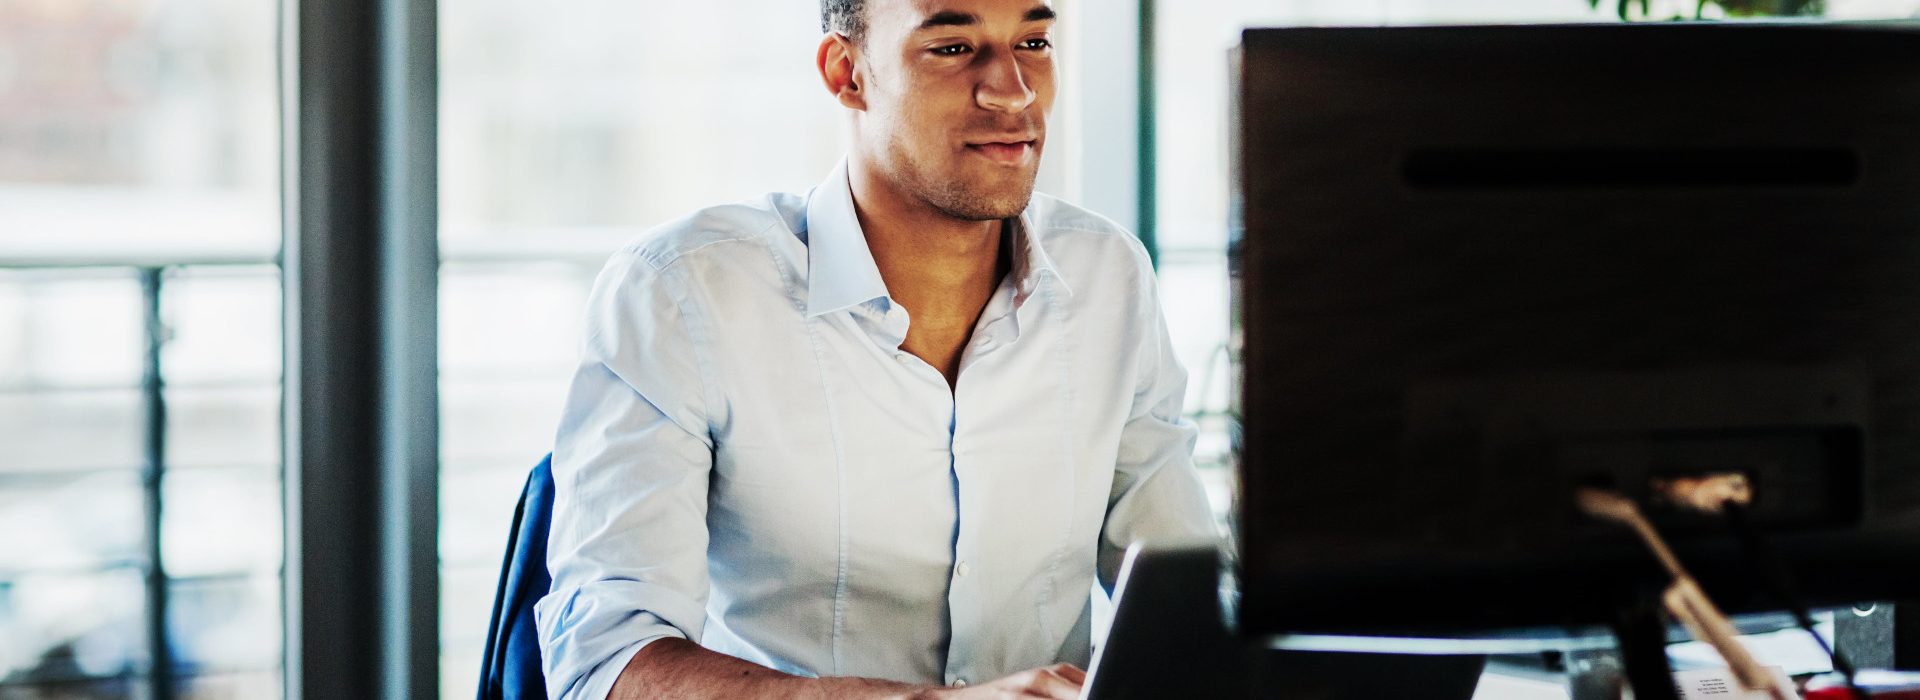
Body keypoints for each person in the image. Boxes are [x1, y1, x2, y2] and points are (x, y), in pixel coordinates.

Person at [535, 1, 1216, 697]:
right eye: (953, 48)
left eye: (1034, 41)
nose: (1013, 89)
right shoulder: (681, 292)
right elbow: (606, 666)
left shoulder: (1109, 277)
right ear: (847, 72)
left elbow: (1189, 601)